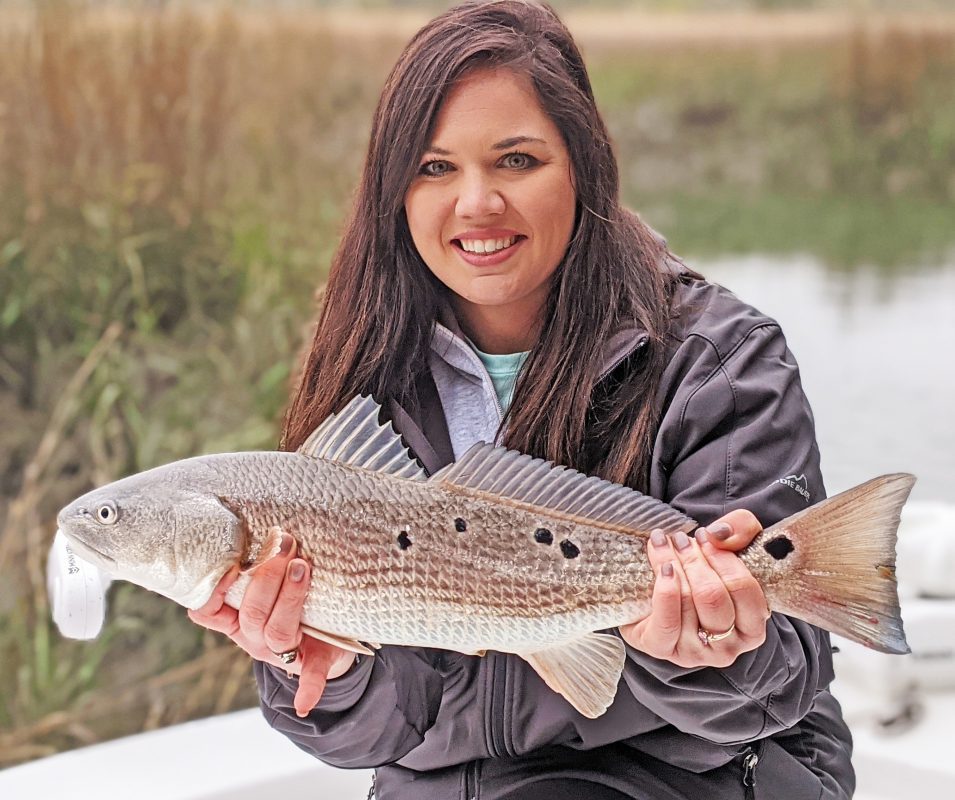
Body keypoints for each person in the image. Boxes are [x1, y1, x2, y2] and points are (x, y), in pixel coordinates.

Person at [189, 2, 854, 797]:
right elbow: (372, 737)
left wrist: (702, 653)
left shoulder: (721, 360)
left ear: (582, 165)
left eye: (515, 161)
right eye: (434, 168)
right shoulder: (361, 363)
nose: (475, 204)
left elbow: (776, 692)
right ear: (392, 191)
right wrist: (319, 668)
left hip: (697, 770)